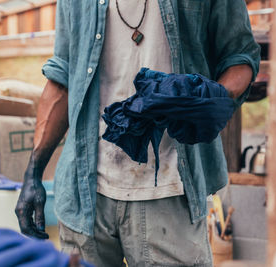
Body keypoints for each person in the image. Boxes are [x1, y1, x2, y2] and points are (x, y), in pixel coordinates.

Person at [15, 0, 260, 266]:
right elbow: (63, 76)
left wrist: (212, 97)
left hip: (171, 190)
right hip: (85, 198)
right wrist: (33, 172)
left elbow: (240, 58)